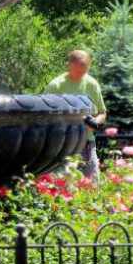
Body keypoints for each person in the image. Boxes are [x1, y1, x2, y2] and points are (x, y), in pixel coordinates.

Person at [44, 49, 107, 178]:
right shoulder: (56, 86)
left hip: (87, 142)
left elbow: (102, 112)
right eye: (79, 70)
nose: (82, 74)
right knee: (64, 182)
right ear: (69, 65)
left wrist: (95, 122)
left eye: (85, 69)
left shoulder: (92, 84)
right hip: (63, 143)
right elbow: (44, 115)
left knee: (93, 182)